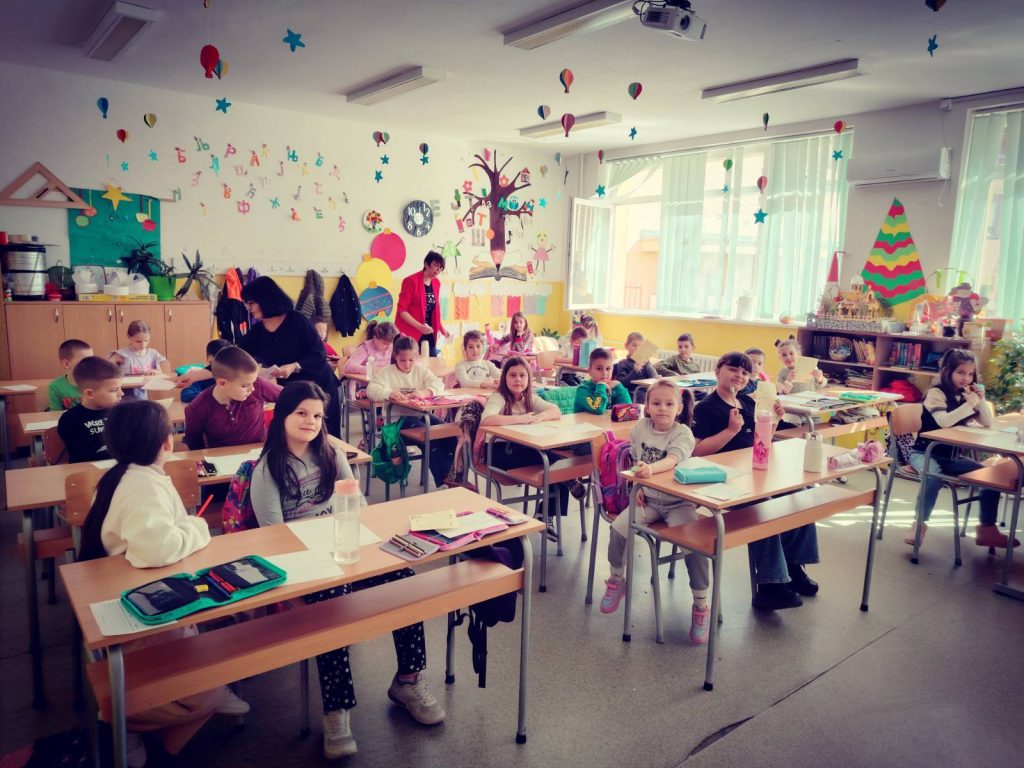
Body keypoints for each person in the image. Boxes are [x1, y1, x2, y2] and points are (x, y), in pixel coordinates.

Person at [250, 381, 443, 757]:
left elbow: (357, 507)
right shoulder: (268, 469)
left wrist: (360, 544)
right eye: (301, 413)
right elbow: (275, 538)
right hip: (305, 560)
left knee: (404, 582)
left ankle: (408, 681)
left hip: (346, 547)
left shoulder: (331, 453)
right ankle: (336, 710)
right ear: (282, 416)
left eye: (317, 415)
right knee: (333, 608)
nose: (310, 421)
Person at [77, 400, 249, 767]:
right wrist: (198, 526)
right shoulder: (142, 486)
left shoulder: (124, 475)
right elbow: (156, 550)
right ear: (166, 443)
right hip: (135, 606)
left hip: (145, 591)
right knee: (203, 691)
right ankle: (129, 721)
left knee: (203, 653)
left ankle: (192, 696)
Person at [691, 351, 817, 612]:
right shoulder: (705, 407)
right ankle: (771, 586)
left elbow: (761, 441)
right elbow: (697, 452)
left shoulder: (748, 403)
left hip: (752, 473)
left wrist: (775, 421)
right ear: (717, 371)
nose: (739, 375)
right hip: (721, 479)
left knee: (799, 494)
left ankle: (793, 568)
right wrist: (730, 431)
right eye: (733, 369)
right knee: (763, 506)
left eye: (745, 372)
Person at [599, 380, 710, 643]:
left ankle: (700, 605)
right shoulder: (640, 428)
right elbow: (637, 461)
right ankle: (616, 580)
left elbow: (672, 460)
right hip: (646, 501)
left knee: (695, 547)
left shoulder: (683, 434)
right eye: (656, 403)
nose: (662, 408)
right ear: (647, 406)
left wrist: (650, 471)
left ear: (679, 408)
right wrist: (637, 486)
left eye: (669, 404)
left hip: (678, 503)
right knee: (618, 529)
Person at [180, 277, 342, 436]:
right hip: (291, 390)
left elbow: (319, 354)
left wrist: (294, 366)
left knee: (326, 435)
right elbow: (229, 361)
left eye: (251, 303)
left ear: (266, 300)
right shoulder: (257, 332)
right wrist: (192, 377)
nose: (248, 308)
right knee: (297, 434)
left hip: (321, 386)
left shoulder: (296, 320)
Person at [905, 348, 1017, 549]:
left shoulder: (966, 394)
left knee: (990, 478)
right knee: (933, 477)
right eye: (960, 372)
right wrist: (969, 404)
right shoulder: (936, 393)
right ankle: (919, 524)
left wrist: (980, 401)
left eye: (970, 374)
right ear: (947, 371)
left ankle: (987, 529)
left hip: (952, 458)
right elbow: (944, 422)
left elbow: (988, 422)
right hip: (925, 452)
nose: (966, 378)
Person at [480, 356, 565, 538]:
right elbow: (487, 419)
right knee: (555, 465)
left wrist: (539, 417)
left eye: (522, 375)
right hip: (498, 451)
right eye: (512, 375)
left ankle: (545, 513)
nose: (518, 379)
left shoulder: (529, 398)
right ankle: (567, 486)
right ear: (504, 378)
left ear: (528, 378)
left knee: (560, 467)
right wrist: (521, 419)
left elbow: (556, 410)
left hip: (522, 447)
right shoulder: (499, 397)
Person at [365, 336, 456, 489]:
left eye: (411, 360)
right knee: (430, 435)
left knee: (449, 434)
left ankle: (454, 474)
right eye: (402, 360)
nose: (407, 364)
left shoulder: (420, 370)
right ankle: (445, 477)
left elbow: (438, 384)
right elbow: (371, 389)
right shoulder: (388, 372)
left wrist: (425, 392)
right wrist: (389, 393)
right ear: (395, 356)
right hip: (396, 422)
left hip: (418, 415)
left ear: (417, 357)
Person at [183, 346, 281, 450]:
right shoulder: (197, 408)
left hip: (259, 453)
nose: (252, 389)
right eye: (245, 385)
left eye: (253, 382)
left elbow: (289, 396)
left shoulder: (258, 385)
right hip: (221, 457)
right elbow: (194, 443)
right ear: (222, 383)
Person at [57, 356, 124, 463]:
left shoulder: (121, 413)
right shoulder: (71, 420)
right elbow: (83, 457)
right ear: (90, 393)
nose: (121, 393)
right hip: (90, 470)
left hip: (120, 466)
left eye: (120, 388)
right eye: (114, 390)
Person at [396, 250, 450, 357]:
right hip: (410, 331)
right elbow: (402, 311)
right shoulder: (411, 281)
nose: (438, 270)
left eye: (441, 267)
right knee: (411, 362)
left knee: (432, 361)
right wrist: (419, 326)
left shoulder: (436, 283)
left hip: (429, 331)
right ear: (426, 264)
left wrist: (441, 328)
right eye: (435, 265)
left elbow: (433, 310)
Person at [110, 320, 170, 400]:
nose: (143, 344)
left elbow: (164, 370)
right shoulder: (122, 354)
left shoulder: (152, 353)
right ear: (129, 337)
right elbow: (105, 370)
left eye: (146, 340)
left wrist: (157, 371)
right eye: (138, 341)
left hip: (143, 396)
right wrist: (113, 361)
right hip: (124, 396)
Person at [574, 348, 632, 415]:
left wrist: (619, 387)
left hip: (604, 421)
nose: (604, 373)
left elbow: (628, 409)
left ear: (612, 370)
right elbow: (598, 409)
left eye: (608, 369)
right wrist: (601, 386)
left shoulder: (613, 388)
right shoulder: (583, 390)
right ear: (590, 371)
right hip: (585, 422)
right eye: (599, 369)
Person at [180, 339, 232, 404]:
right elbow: (186, 395)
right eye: (222, 358)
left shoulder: (235, 375)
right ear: (210, 358)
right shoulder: (203, 377)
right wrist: (214, 395)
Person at [48, 338, 92, 410]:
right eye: (84, 361)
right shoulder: (55, 386)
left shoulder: (96, 383)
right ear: (66, 364)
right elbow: (55, 414)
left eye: (91, 360)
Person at [613, 332, 658, 399]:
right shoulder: (622, 363)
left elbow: (654, 378)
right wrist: (635, 371)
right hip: (631, 394)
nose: (637, 349)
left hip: (647, 393)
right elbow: (622, 384)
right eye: (634, 345)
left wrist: (648, 364)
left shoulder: (646, 363)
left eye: (640, 347)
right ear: (626, 346)